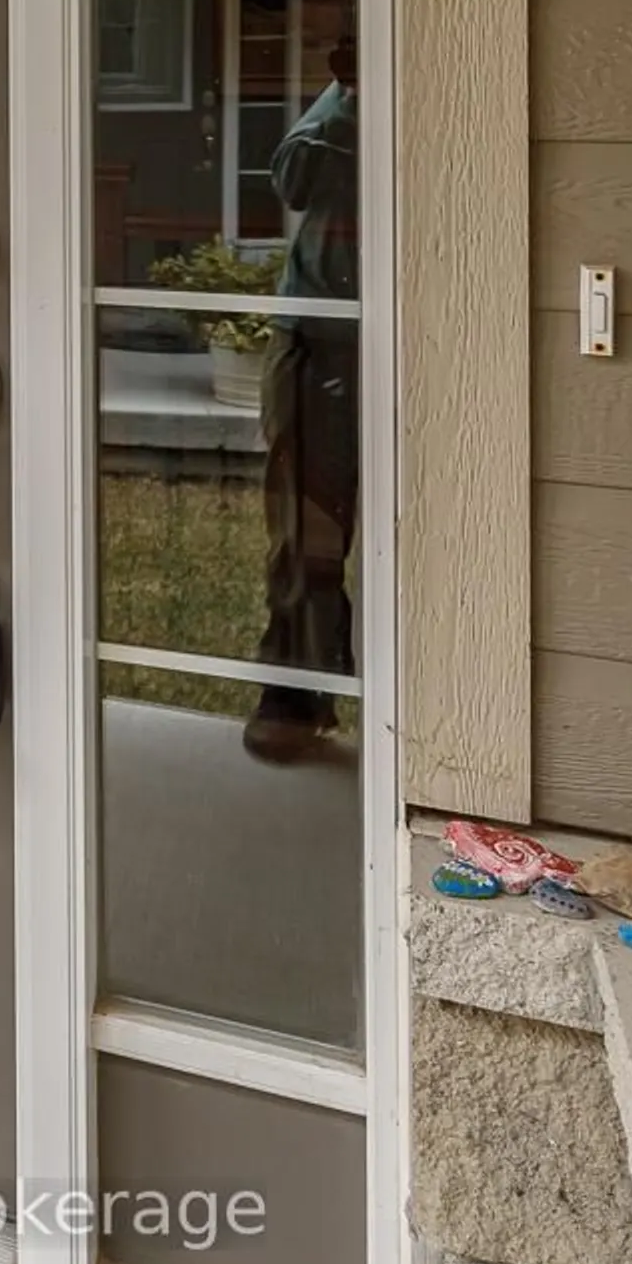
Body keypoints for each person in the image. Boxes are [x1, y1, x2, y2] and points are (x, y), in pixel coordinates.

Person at [246, 38, 359, 764]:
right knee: (304, 523)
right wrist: (354, 96)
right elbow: (293, 175)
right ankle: (296, 691)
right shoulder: (345, 101)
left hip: (416, 331)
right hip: (318, 332)